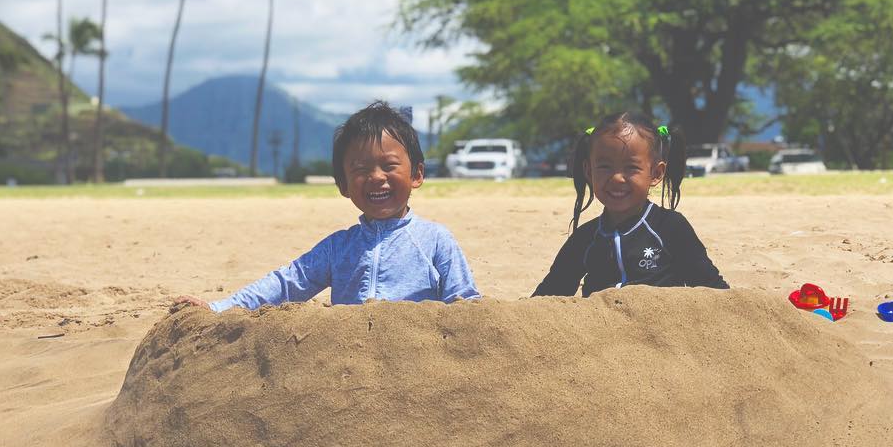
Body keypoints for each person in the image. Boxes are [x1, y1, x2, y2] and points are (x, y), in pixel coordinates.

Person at [175, 101, 480, 312]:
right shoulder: (339, 247)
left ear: (416, 174)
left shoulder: (436, 239)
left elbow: (465, 304)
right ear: (344, 185)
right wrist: (219, 308)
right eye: (360, 169)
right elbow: (287, 283)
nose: (376, 177)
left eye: (389, 165)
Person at [533, 111, 727, 296]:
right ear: (589, 171)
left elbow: (713, 289)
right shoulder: (584, 238)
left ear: (656, 174)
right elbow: (548, 296)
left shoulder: (670, 227)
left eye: (631, 167)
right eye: (604, 167)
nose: (617, 178)